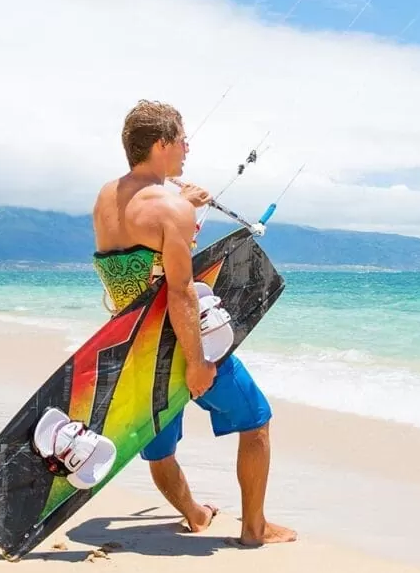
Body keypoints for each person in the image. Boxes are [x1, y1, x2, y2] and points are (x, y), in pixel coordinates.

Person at [90, 99, 297, 548]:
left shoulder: (106, 198)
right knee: (256, 420)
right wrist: (199, 361)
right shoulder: (171, 209)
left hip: (133, 348)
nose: (188, 147)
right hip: (180, 341)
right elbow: (180, 291)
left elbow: (139, 255)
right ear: (161, 144)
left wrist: (179, 206)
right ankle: (254, 529)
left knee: (160, 447)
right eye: (183, 140)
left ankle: (195, 514)